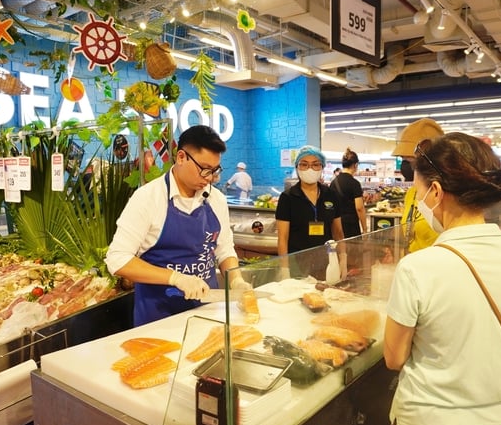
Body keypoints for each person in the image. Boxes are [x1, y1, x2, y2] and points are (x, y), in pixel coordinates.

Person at [383, 132, 501, 425]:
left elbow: (394, 358)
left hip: (427, 422)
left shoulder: (416, 268)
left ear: (434, 192)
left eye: (418, 190)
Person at [105, 125, 250, 326]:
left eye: (215, 171)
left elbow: (224, 250)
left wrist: (236, 280)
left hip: (207, 313)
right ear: (181, 157)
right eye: (204, 170)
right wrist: (176, 278)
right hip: (159, 318)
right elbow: (118, 259)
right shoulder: (148, 198)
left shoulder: (216, 199)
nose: (209, 178)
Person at [276, 145, 346, 280]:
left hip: (326, 262)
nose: (310, 169)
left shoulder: (331, 195)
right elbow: (282, 239)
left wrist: (342, 259)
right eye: (304, 164)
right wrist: (284, 269)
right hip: (297, 263)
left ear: (322, 167)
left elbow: (338, 233)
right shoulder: (288, 197)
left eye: (315, 165)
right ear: (297, 168)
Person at [392, 118, 445, 252]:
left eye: (410, 160)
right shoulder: (411, 194)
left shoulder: (447, 197)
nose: (406, 167)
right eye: (403, 160)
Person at [330, 147, 367, 237]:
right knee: (353, 250)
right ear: (355, 165)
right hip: (351, 225)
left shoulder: (333, 182)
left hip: (336, 225)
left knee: (339, 250)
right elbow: (359, 208)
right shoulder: (354, 183)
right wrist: (365, 229)